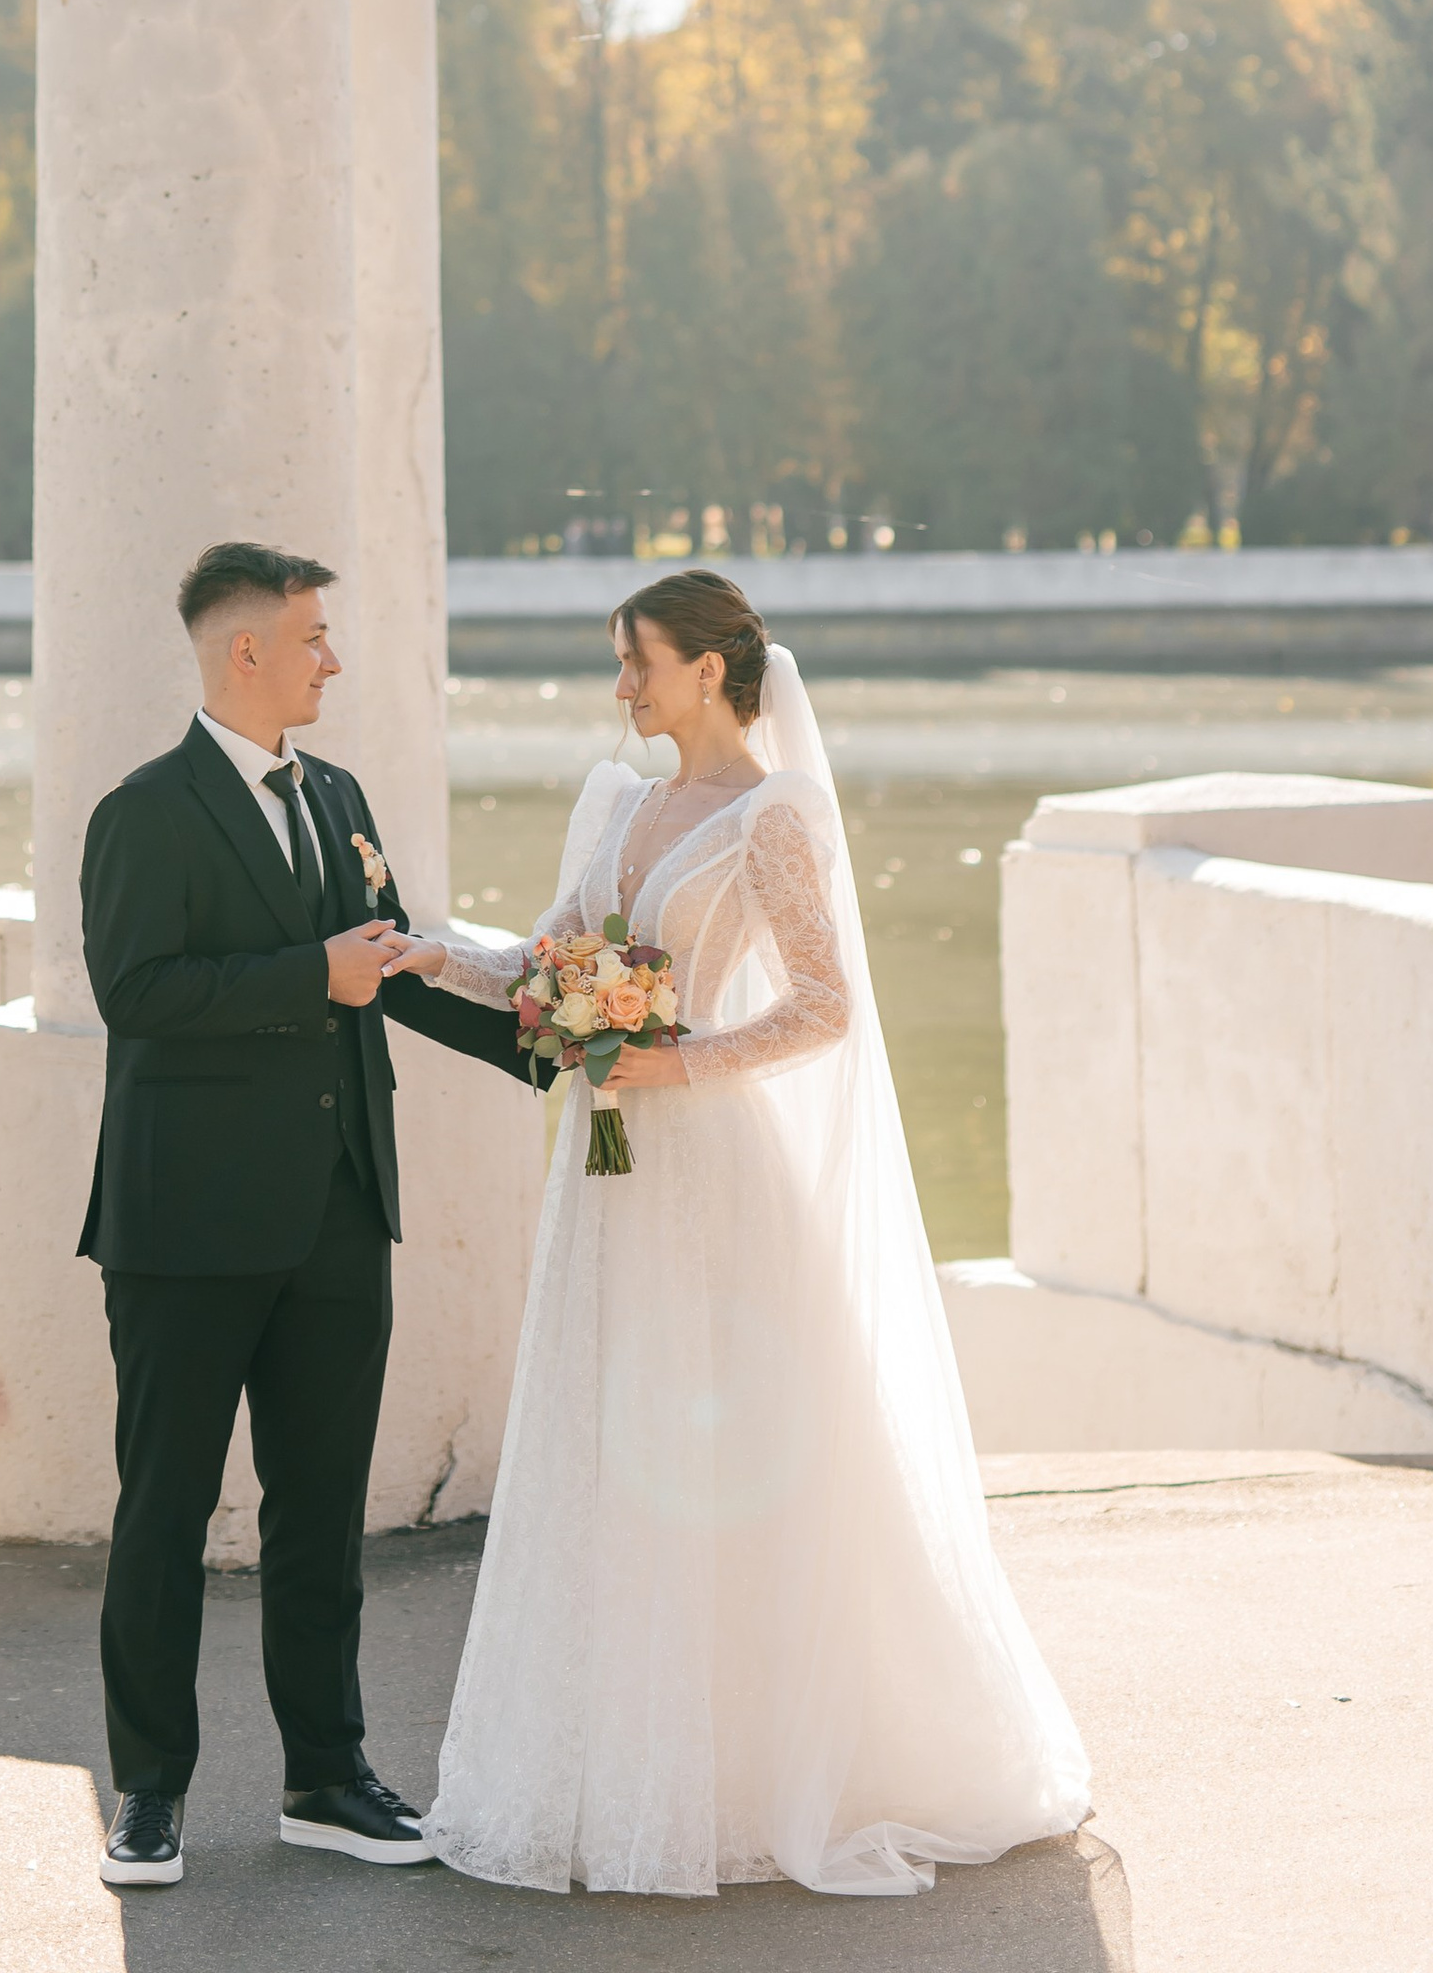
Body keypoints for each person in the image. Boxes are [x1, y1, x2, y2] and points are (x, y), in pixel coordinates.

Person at [398, 565, 1093, 1898]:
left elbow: (825, 1005)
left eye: (638, 663)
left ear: (709, 670)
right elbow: (548, 970)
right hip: (605, 1185)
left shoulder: (776, 817)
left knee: (740, 1453)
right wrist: (440, 958)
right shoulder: (617, 802)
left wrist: (683, 1064)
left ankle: (771, 1768)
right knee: (610, 1449)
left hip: (714, 1170)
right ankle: (623, 1766)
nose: (621, 691)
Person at [78, 537, 534, 1892]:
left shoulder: (336, 792)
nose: (333, 658)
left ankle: (327, 1778)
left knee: (321, 1512)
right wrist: (305, 973)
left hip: (340, 1217)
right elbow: (138, 995)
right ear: (247, 652)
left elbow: (380, 972)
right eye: (315, 636)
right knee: (163, 1512)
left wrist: (551, 1052)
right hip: (185, 1228)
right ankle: (150, 1796)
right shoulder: (143, 813)